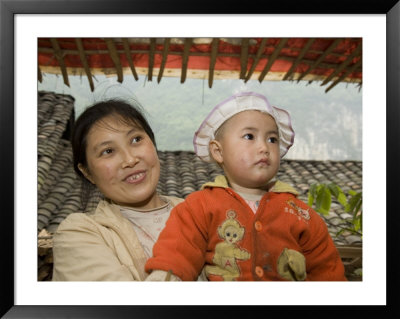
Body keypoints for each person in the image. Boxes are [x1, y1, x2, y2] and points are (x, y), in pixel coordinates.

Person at [145, 91, 347, 281]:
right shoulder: (199, 206)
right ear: (218, 151)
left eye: (272, 139)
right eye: (249, 136)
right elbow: (177, 253)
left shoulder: (301, 214)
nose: (264, 147)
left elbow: (328, 273)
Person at [52, 99, 185, 281]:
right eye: (108, 151)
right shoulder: (78, 234)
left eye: (136, 139)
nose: (130, 159)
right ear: (87, 172)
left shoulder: (201, 212)